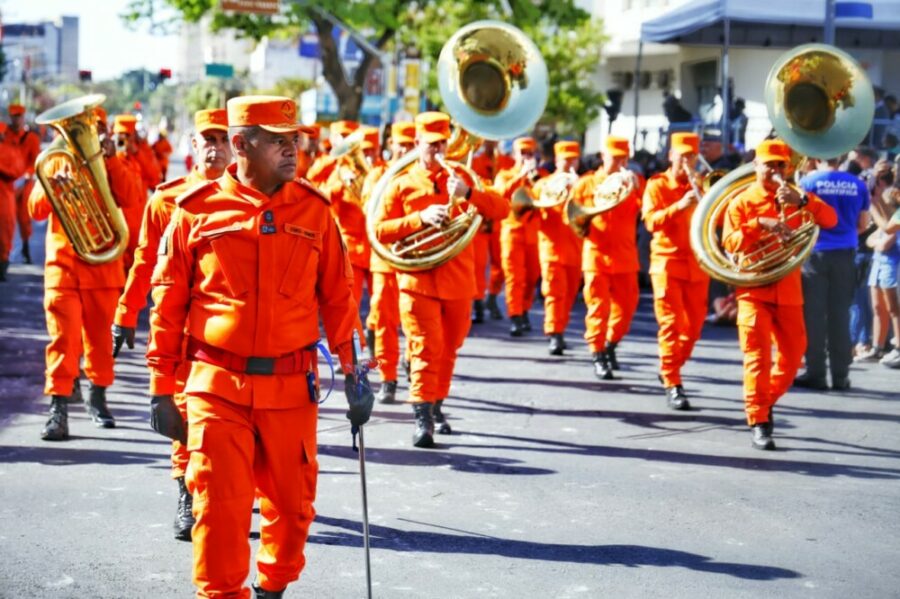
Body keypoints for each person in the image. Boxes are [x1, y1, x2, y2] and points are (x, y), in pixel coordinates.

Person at [146, 95, 373, 598]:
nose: (293, 149)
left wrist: (356, 373)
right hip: (215, 389)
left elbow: (339, 297)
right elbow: (167, 306)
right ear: (241, 143)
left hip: (292, 389)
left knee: (293, 514)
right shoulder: (193, 212)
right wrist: (162, 388)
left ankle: (272, 591)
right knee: (220, 515)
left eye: (294, 139)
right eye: (279, 140)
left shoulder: (316, 212)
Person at [112, 108, 232, 541]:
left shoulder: (251, 197)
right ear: (193, 146)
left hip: (230, 330)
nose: (215, 147)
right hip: (180, 330)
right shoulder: (167, 199)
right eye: (207, 140)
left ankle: (230, 494)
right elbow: (144, 261)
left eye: (223, 139)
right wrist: (125, 314)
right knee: (184, 412)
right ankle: (186, 491)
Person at [375, 111, 508, 448]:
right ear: (417, 144)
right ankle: (423, 418)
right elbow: (379, 231)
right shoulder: (400, 183)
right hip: (417, 280)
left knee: (450, 348)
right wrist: (418, 218)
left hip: (458, 280)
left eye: (442, 144)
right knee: (424, 348)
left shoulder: (464, 177)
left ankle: (435, 404)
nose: (437, 151)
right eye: (431, 145)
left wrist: (468, 194)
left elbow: (501, 208)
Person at [29, 105, 143, 440]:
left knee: (99, 343)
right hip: (63, 269)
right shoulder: (56, 161)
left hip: (104, 270)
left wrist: (109, 160)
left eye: (97, 129)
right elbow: (35, 209)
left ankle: (97, 396)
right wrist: (54, 186)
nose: (92, 136)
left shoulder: (115, 163)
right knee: (62, 342)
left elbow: (133, 196)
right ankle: (58, 408)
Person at [722, 139, 837, 450]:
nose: (773, 170)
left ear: (787, 168)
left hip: (788, 290)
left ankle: (764, 401)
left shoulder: (798, 196)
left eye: (779, 165)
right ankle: (758, 419)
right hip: (753, 290)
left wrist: (803, 203)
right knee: (757, 358)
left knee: (794, 356)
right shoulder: (741, 202)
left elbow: (831, 220)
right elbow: (730, 243)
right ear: (756, 166)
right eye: (768, 164)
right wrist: (760, 223)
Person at [642, 132, 710, 410]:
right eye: (682, 155)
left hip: (697, 265)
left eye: (692, 156)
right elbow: (650, 222)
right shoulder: (656, 185)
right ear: (671, 156)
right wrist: (678, 206)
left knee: (692, 330)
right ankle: (673, 381)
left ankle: (669, 367)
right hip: (666, 263)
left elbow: (716, 218)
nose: (687, 161)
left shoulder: (703, 185)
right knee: (670, 325)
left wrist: (701, 192)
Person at [794, 157, 869, 390]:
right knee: (840, 314)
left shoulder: (808, 181)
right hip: (846, 253)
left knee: (814, 316)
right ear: (843, 158)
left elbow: (799, 219)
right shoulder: (858, 184)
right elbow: (863, 224)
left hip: (815, 254)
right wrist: (843, 233)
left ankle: (816, 373)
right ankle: (840, 375)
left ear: (817, 157)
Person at [571, 136, 643, 377]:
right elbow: (572, 216)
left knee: (627, 308)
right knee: (597, 308)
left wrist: (635, 186)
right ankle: (597, 352)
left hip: (625, 256)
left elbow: (646, 211)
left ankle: (611, 343)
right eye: (616, 158)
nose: (621, 163)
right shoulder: (586, 183)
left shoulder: (633, 182)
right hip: (596, 255)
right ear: (603, 156)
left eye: (625, 158)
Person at [362, 120, 416, 404]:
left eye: (410, 145)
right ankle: (388, 377)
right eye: (401, 145)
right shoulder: (377, 176)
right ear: (391, 146)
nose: (405, 151)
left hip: (416, 261)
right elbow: (370, 216)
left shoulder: (422, 177)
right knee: (383, 320)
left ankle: (411, 362)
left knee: (414, 321)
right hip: (384, 260)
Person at [532, 141, 583, 355]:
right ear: (557, 160)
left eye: (574, 159)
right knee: (554, 293)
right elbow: (532, 209)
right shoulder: (543, 184)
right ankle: (554, 333)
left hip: (576, 248)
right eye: (566, 159)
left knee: (570, 294)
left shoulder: (583, 184)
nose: (570, 163)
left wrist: (578, 189)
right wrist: (556, 194)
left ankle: (560, 328)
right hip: (551, 248)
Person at [494, 138, 546, 336]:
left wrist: (535, 179)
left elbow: (548, 196)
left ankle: (524, 309)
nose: (526, 157)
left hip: (534, 233)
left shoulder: (541, 177)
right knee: (515, 277)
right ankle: (514, 315)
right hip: (512, 232)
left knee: (532, 277)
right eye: (522, 153)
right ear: (514, 155)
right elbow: (500, 193)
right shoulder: (505, 175)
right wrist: (521, 175)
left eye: (530, 153)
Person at [470, 140, 513, 322]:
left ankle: (493, 296)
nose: (491, 142)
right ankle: (478, 302)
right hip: (480, 221)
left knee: (501, 264)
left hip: (499, 221)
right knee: (479, 264)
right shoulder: (475, 161)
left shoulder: (507, 162)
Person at [864, 165, 900, 368]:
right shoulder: (891, 204)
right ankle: (878, 348)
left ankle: (898, 349)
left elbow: (887, 227)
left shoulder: (895, 207)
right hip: (882, 261)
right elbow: (876, 235)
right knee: (879, 306)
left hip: (894, 261)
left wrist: (871, 204)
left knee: (894, 308)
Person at [7, 103, 42, 264]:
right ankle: (5, 254)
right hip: (7, 182)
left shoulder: (32, 138)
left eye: (19, 116)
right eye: (14, 116)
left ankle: (26, 249)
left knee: (24, 218)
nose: (17, 119)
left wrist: (25, 176)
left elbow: (35, 161)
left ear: (23, 117)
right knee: (6, 220)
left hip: (25, 182)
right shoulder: (4, 135)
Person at [0, 122, 26, 281]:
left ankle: (2, 267)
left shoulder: (10, 150)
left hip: (5, 198)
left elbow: (17, 171)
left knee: (5, 234)